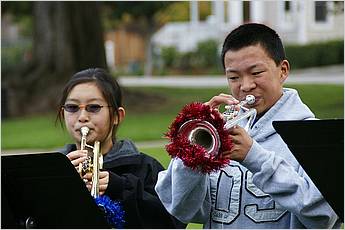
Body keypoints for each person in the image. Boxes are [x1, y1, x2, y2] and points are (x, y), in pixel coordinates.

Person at [155, 23, 341, 228]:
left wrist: (253, 156)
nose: (245, 86)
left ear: (283, 70)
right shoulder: (220, 132)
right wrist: (192, 152)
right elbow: (179, 208)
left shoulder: (312, 135)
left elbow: (323, 215)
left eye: (256, 72)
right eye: (234, 77)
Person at [56, 68, 186, 228]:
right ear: (63, 114)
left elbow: (173, 221)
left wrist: (121, 187)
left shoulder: (145, 167)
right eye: (72, 107)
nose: (82, 117)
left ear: (117, 116)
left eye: (94, 107)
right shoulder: (50, 170)